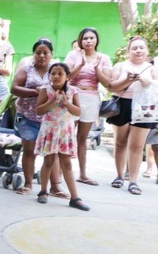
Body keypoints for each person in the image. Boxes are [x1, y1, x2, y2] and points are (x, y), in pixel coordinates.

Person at [34, 62, 88, 210]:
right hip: (50, 130)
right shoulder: (45, 90)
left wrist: (67, 103)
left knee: (67, 164)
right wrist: (51, 101)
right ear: (49, 76)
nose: (56, 76)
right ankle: (43, 191)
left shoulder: (73, 91)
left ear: (68, 76)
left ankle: (75, 198)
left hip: (65, 132)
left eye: (60, 74)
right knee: (48, 161)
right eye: (53, 73)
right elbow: (39, 110)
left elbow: (78, 112)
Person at [106, 36, 154, 195]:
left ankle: (133, 181)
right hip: (123, 105)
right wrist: (127, 80)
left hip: (144, 107)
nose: (138, 51)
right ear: (129, 51)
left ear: (146, 50)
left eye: (141, 48)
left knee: (137, 146)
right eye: (134, 48)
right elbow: (111, 87)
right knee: (120, 143)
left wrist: (143, 79)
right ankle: (119, 176)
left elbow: (155, 87)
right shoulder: (120, 66)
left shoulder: (152, 68)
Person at [64, 27, 111, 186]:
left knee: (82, 138)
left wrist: (97, 69)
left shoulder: (104, 58)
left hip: (91, 98)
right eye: (85, 38)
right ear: (80, 40)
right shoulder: (73, 55)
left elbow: (108, 83)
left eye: (92, 38)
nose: (88, 41)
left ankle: (83, 174)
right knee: (66, 135)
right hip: (72, 96)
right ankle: (59, 172)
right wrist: (80, 64)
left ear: (97, 40)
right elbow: (65, 77)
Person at [11, 38, 53, 195]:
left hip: (49, 119)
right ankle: (28, 183)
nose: (41, 56)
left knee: (50, 153)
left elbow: (64, 88)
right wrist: (35, 92)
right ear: (33, 54)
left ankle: (53, 186)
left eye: (45, 53)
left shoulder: (56, 70)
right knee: (29, 149)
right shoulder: (26, 69)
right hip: (25, 116)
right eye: (38, 53)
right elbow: (14, 88)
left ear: (51, 54)